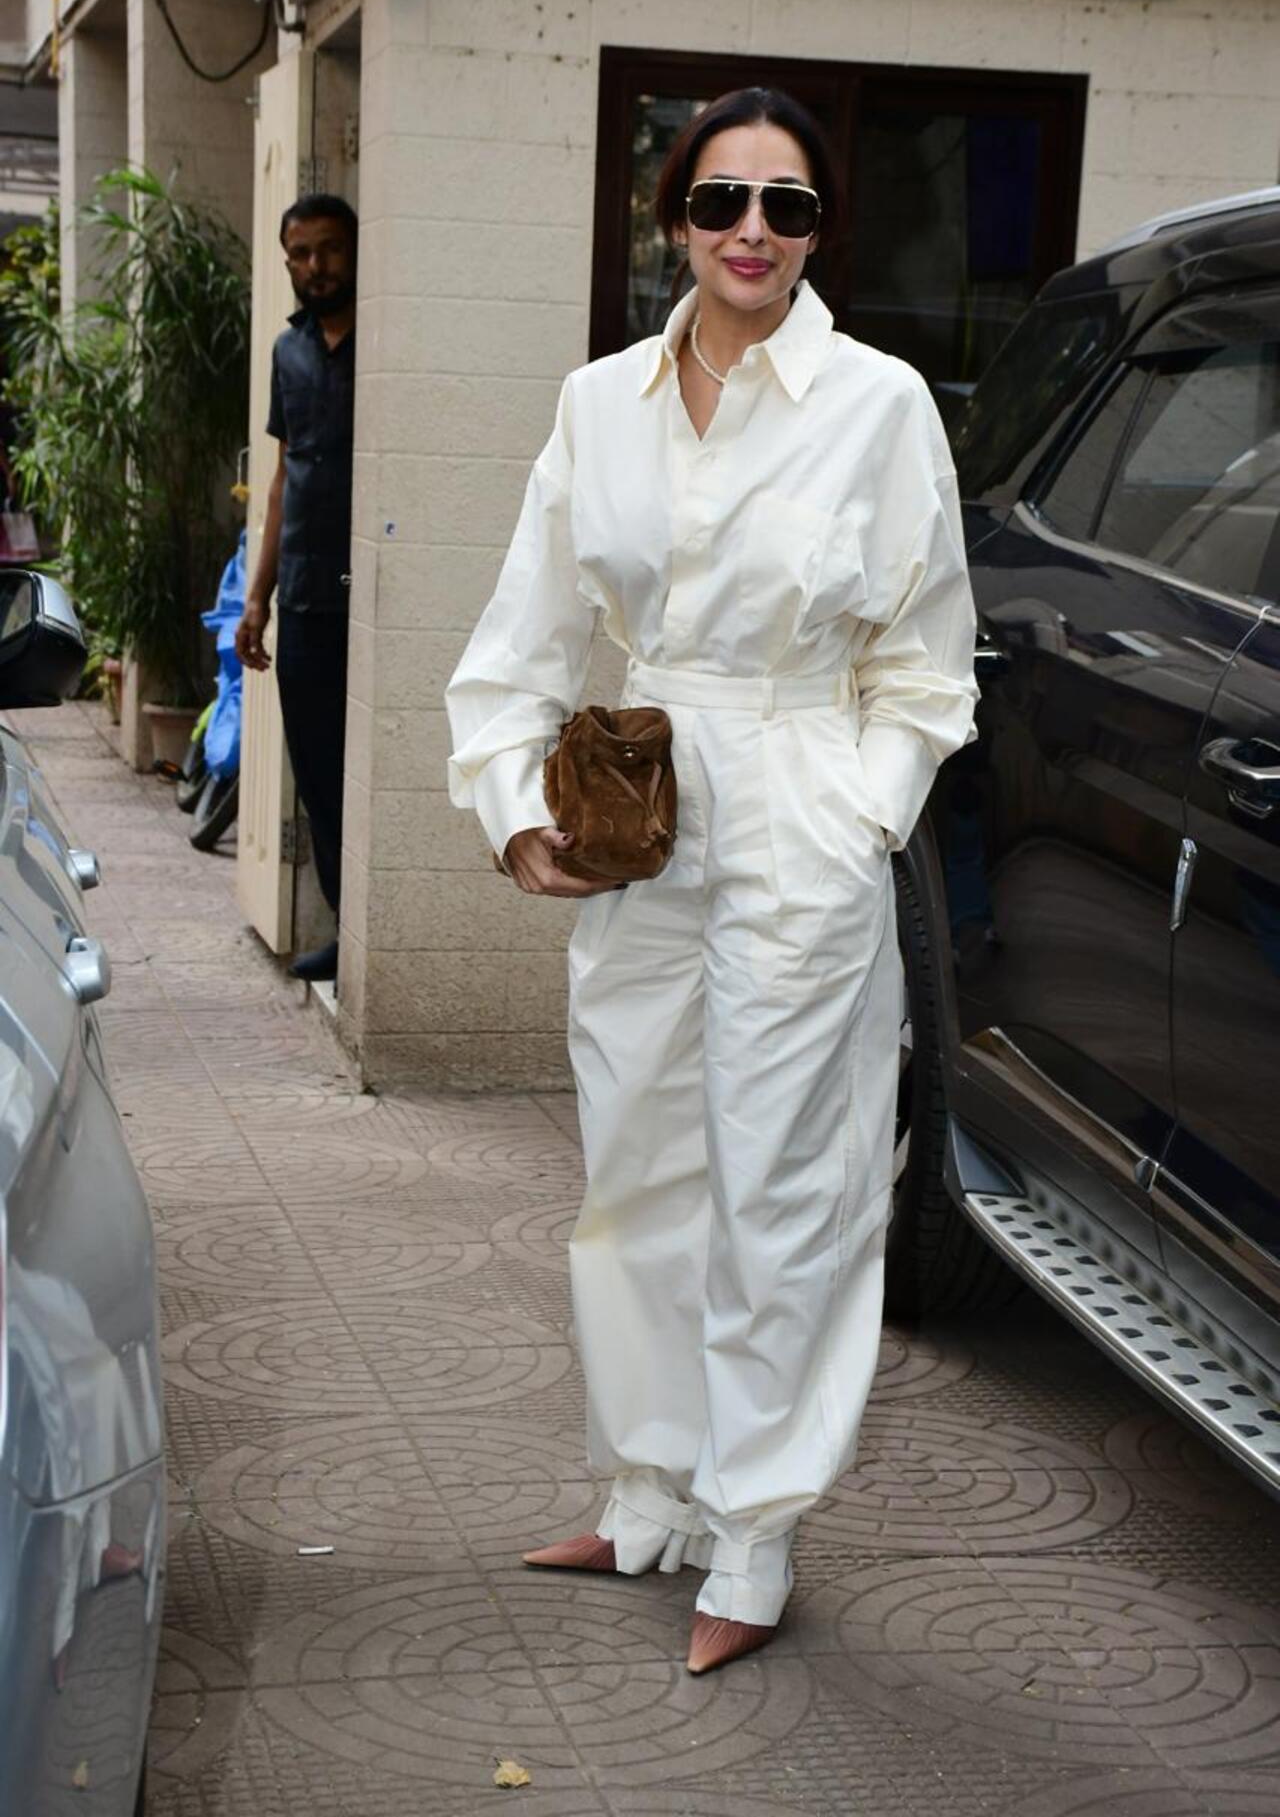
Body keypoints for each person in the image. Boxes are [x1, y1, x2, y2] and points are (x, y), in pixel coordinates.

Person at [445, 88, 979, 1675]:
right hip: (641, 801)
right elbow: (524, 630)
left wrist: (862, 817)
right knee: (637, 1169)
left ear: (821, 233)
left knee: (789, 1185)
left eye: (791, 206)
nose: (755, 229)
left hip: (803, 802)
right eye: (725, 198)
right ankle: (647, 1490)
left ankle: (752, 1531)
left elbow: (929, 664)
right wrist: (511, 801)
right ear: (673, 217)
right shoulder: (600, 402)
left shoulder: (878, 404)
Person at [236, 193, 358, 982]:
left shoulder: (387, 337)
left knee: (363, 773)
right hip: (307, 594)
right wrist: (257, 596)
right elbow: (284, 478)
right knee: (316, 773)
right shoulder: (289, 352)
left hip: (371, 595)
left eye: (328, 251)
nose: (315, 267)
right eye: (300, 254)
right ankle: (350, 931)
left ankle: (371, 934)